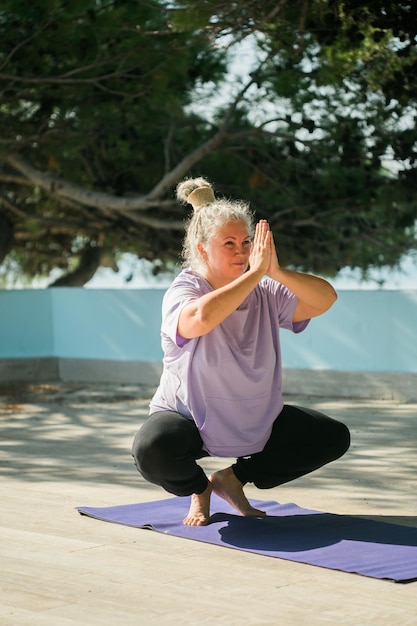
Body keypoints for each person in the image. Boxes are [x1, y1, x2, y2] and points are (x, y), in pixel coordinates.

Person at [132, 177, 350, 526]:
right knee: (151, 449)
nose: (241, 251)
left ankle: (232, 479)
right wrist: (255, 274)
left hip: (256, 419)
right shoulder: (185, 289)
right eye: (229, 243)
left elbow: (326, 298)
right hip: (192, 421)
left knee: (331, 437)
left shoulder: (265, 289)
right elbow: (200, 318)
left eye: (246, 242)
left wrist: (274, 271)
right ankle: (199, 488)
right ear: (202, 250)